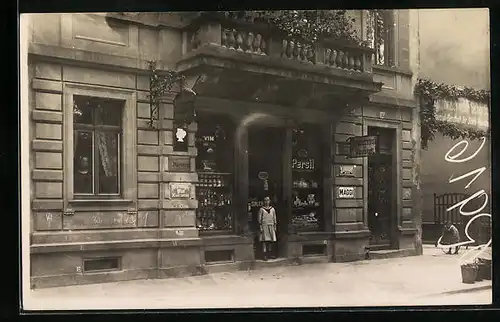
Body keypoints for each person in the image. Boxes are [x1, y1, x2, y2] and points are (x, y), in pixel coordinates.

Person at [258, 196, 277, 261]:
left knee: (271, 240)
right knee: (264, 240)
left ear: (270, 201)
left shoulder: (272, 209)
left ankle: (270, 254)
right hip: (264, 226)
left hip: (271, 225)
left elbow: (274, 218)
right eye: (265, 200)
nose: (267, 202)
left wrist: (275, 226)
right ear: (264, 201)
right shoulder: (261, 209)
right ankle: (264, 254)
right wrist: (260, 227)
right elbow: (259, 219)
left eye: (268, 200)